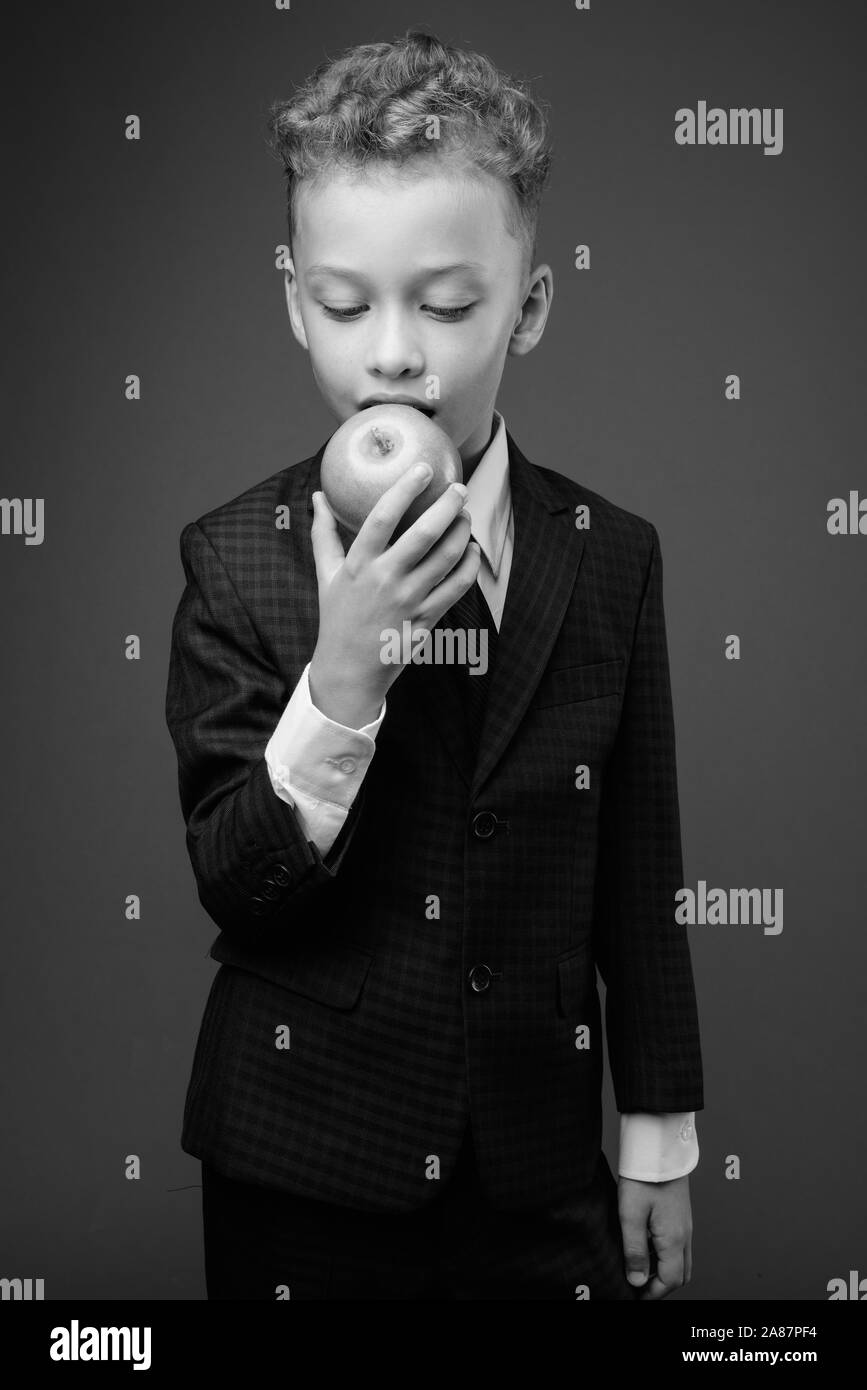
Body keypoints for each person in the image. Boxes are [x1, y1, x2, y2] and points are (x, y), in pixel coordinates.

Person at [165, 27, 703, 1300]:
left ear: (529, 302)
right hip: (302, 1163)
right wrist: (340, 679)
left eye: (449, 305)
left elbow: (640, 865)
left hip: (537, 1169)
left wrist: (660, 1136)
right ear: (294, 296)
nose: (394, 353)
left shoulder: (610, 557)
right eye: (347, 306)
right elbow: (235, 883)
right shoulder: (235, 556)